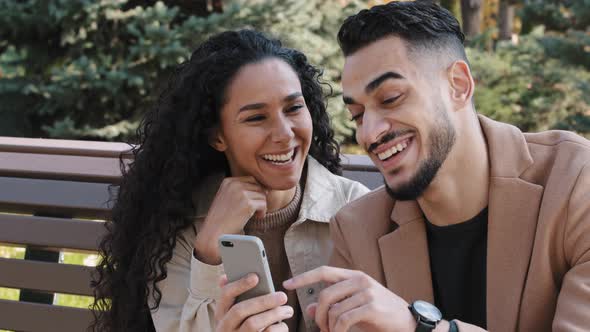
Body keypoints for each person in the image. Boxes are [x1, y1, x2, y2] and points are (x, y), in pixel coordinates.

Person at [283, 2, 590, 332]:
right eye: (358, 115)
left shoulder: (575, 182)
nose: (369, 133)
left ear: (458, 85)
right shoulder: (358, 231)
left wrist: (422, 327)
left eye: (390, 98)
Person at [90, 29, 369, 332]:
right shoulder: (176, 225)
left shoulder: (355, 209)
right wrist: (209, 251)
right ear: (217, 135)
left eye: (293, 108)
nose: (284, 133)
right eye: (256, 118)